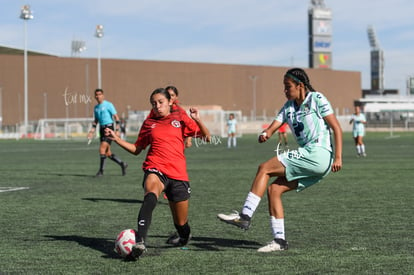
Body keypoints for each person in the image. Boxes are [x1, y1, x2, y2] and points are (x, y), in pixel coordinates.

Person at [217, 68, 343, 252]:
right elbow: (274, 126)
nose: (285, 91)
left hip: (318, 154)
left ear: (300, 85)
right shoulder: (289, 107)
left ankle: (245, 216)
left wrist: (338, 157)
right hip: (314, 161)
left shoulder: (316, 99)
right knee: (274, 190)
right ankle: (279, 241)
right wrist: (266, 133)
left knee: (264, 168)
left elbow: (336, 128)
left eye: (287, 86)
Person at [105, 88, 211, 260]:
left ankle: (184, 236)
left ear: (170, 101)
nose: (157, 106)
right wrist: (116, 139)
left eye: (160, 102)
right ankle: (140, 241)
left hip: (178, 174)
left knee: (181, 223)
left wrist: (197, 120)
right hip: (155, 167)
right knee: (151, 193)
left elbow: (207, 137)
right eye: (154, 104)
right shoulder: (149, 123)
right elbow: (136, 149)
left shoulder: (181, 118)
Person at [87, 88, 128, 177]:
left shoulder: (108, 105)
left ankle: (101, 171)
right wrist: (91, 131)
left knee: (102, 149)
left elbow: (116, 118)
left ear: (103, 95)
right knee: (107, 153)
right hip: (101, 129)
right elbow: (96, 121)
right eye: (96, 95)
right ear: (95, 96)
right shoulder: (96, 108)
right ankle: (122, 164)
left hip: (108, 128)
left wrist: (117, 130)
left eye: (100, 94)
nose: (98, 96)